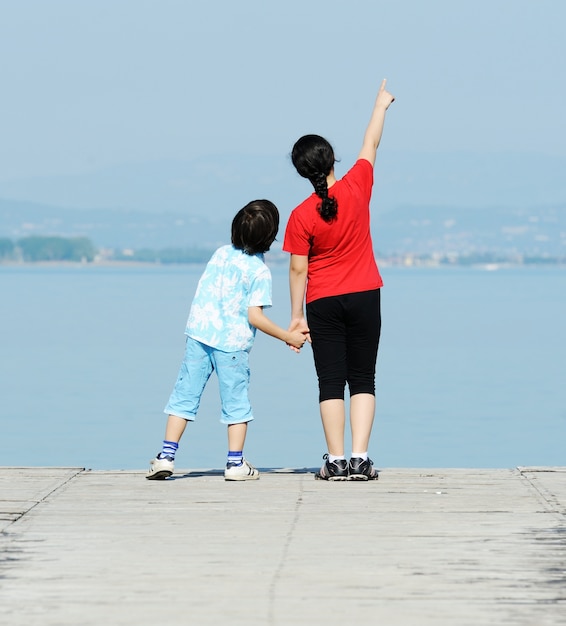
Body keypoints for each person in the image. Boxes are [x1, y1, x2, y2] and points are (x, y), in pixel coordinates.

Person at [147, 199, 307, 481]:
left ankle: (165, 457)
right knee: (236, 403)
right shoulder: (259, 271)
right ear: (270, 237)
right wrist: (287, 335)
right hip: (231, 345)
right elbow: (254, 317)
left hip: (199, 336)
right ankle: (235, 464)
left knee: (184, 397)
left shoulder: (220, 254)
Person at [283, 79, 395, 481]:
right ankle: (361, 459)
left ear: (302, 171)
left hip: (323, 301)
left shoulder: (300, 215)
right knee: (364, 377)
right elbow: (372, 144)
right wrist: (380, 105)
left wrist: (296, 316)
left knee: (330, 381)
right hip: (366, 293)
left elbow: (298, 269)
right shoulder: (358, 185)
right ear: (333, 161)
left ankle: (334, 461)